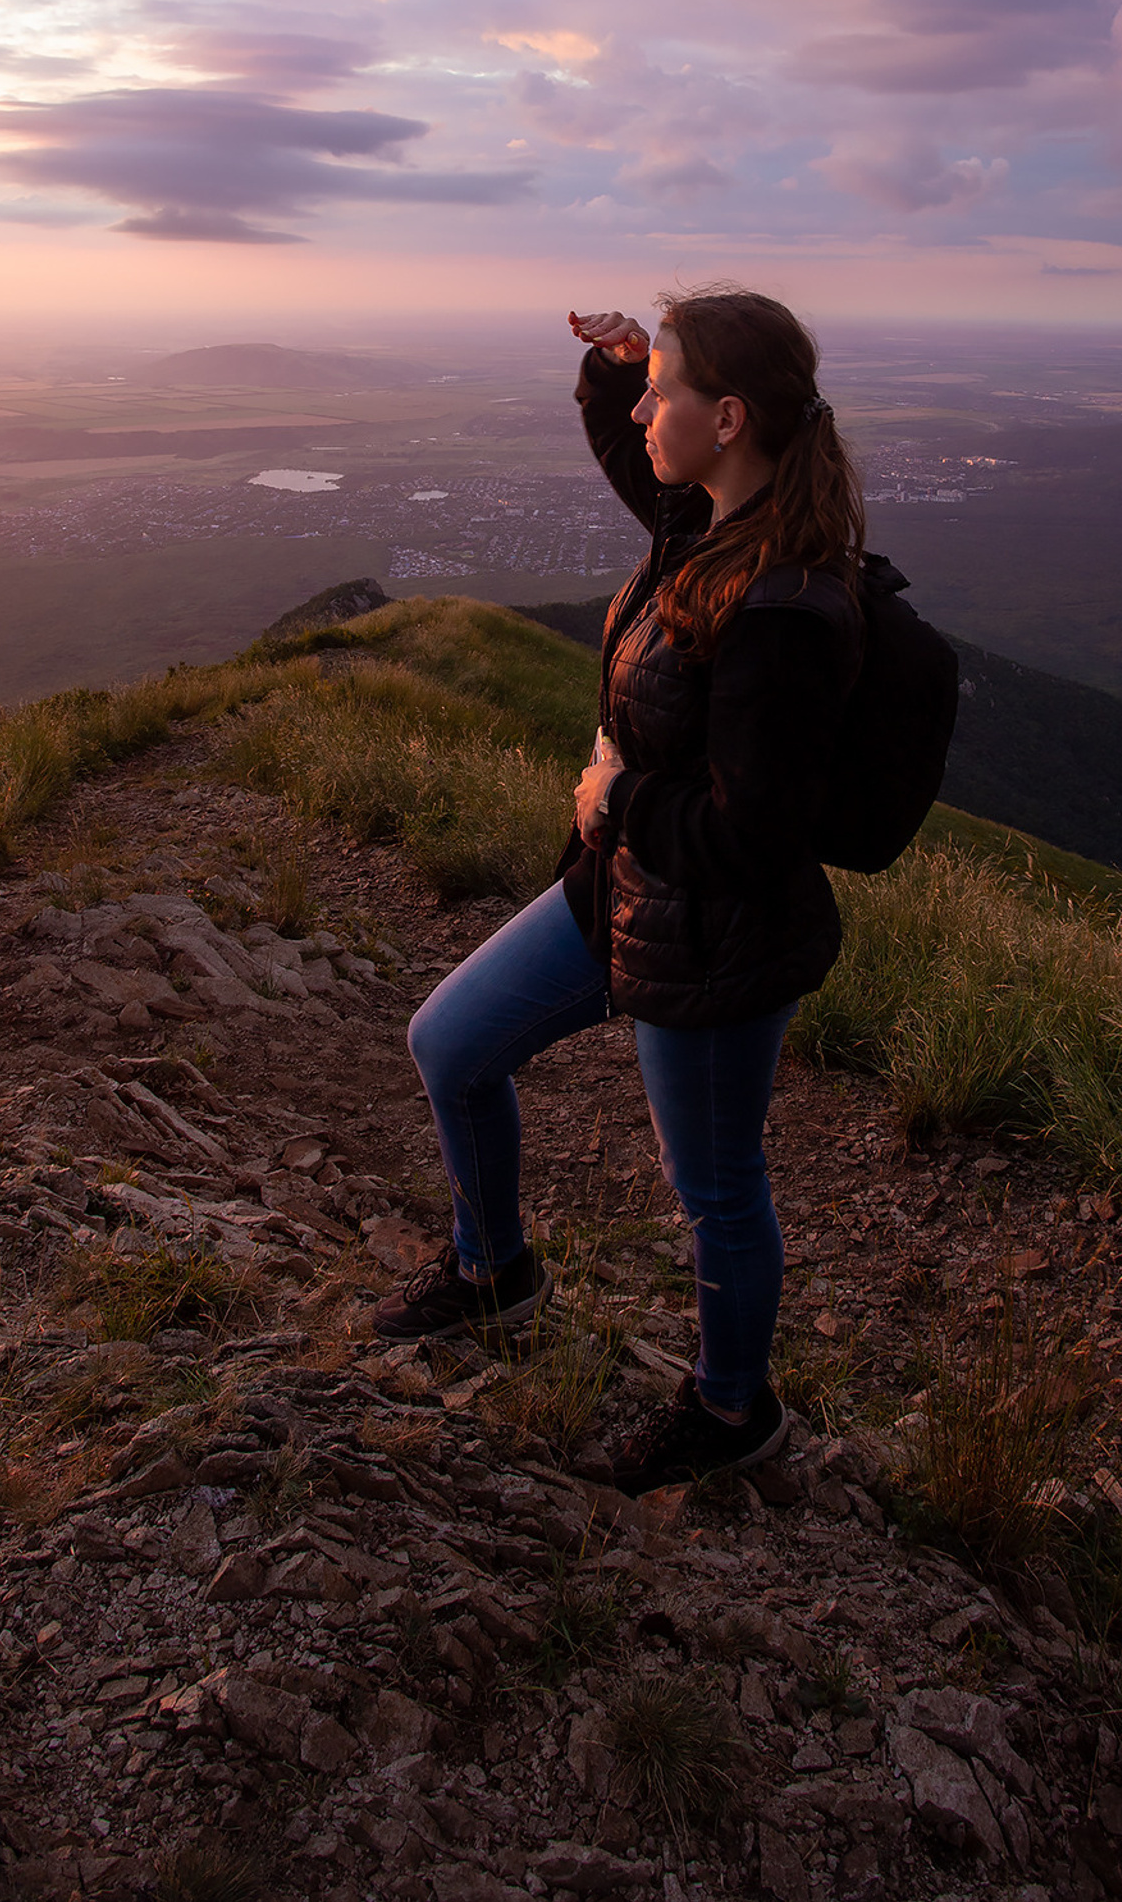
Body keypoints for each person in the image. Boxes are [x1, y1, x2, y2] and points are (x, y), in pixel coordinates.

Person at [372, 289, 866, 1493]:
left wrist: (616, 796)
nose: (645, 415)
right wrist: (621, 371)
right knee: (450, 1045)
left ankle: (733, 1413)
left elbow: (754, 834)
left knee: (716, 1191)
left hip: (718, 940)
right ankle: (493, 1272)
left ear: (729, 419)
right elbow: (635, 457)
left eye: (663, 394)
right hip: (628, 897)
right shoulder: (706, 525)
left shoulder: (784, 607)